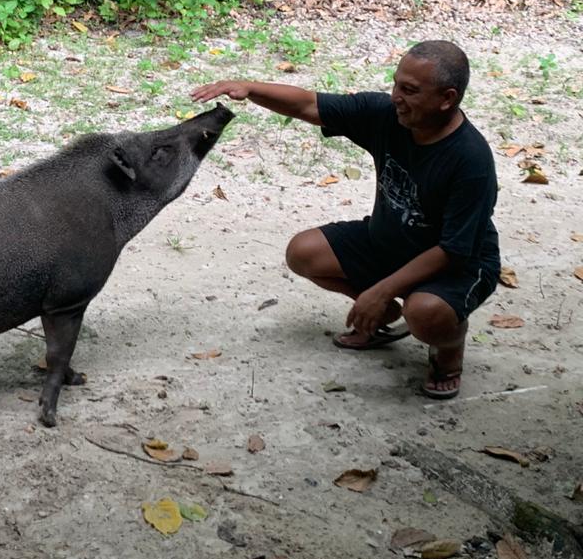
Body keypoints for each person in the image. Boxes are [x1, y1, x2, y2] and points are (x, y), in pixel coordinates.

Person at [191, 40, 500, 399]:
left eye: (410, 90)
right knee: (303, 252)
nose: (396, 96)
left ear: (447, 98)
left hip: (456, 266)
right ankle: (381, 319)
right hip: (390, 242)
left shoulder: (471, 160)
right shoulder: (387, 114)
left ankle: (449, 347)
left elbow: (453, 249)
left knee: (425, 314)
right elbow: (309, 103)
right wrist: (249, 88)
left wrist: (380, 290)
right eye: (396, 84)